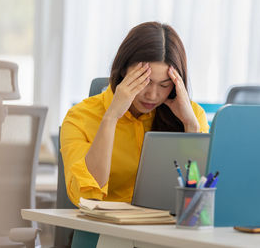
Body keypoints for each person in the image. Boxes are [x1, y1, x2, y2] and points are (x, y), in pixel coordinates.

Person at [60, 21, 209, 247]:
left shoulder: (192, 116)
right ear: (123, 71)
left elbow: (199, 205)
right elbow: (87, 197)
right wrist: (111, 118)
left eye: (165, 84)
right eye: (144, 81)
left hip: (168, 236)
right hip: (107, 236)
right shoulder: (80, 117)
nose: (152, 94)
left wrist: (190, 126)